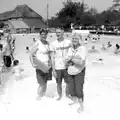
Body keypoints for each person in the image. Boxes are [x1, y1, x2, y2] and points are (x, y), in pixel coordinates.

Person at [65, 33, 87, 113]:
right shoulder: (70, 49)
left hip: (79, 71)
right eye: (73, 38)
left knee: (79, 89)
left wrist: (72, 59)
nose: (74, 40)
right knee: (71, 88)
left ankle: (81, 106)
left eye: (76, 39)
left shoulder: (82, 49)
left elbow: (81, 63)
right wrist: (74, 59)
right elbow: (66, 60)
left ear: (79, 40)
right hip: (70, 71)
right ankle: (74, 102)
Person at [30, 29, 52, 100]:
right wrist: (33, 64)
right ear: (40, 35)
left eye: (45, 34)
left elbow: (49, 54)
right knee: (41, 83)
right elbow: (31, 55)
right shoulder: (37, 43)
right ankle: (38, 96)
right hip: (40, 66)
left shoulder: (48, 43)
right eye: (42, 34)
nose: (44, 36)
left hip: (47, 66)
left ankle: (43, 95)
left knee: (45, 82)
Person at [50, 28, 71, 100]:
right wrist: (53, 70)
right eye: (56, 32)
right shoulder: (53, 44)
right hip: (57, 67)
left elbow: (73, 53)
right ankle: (60, 96)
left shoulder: (68, 42)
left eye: (59, 32)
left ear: (63, 32)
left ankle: (67, 95)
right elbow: (52, 58)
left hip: (67, 67)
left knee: (68, 83)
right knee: (58, 83)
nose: (57, 34)